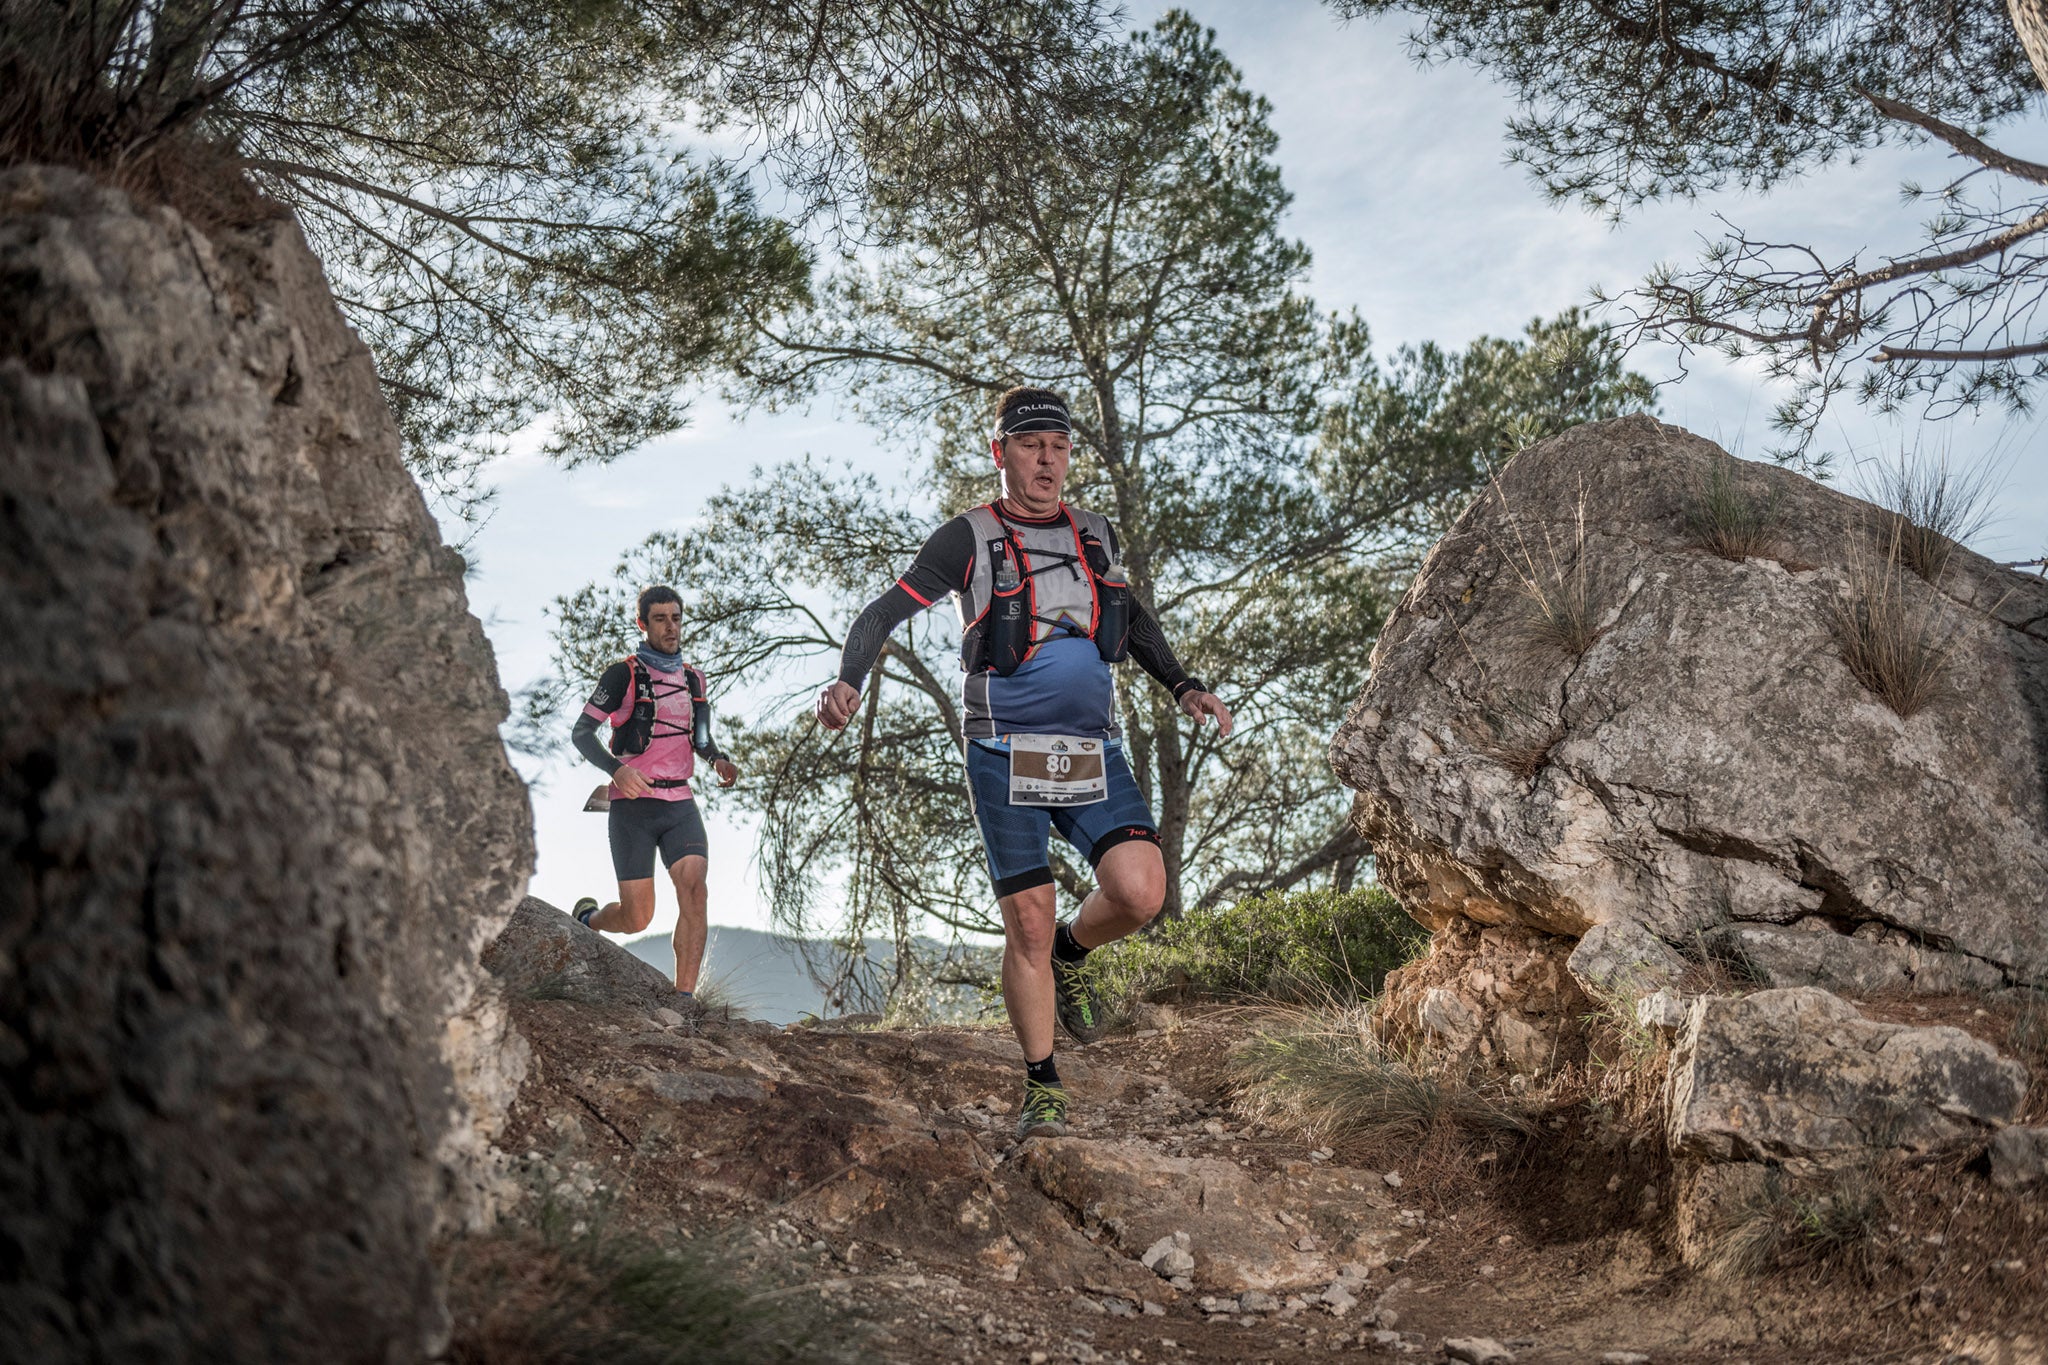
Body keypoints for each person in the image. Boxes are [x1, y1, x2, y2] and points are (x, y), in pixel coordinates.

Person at [815, 386, 1232, 1140]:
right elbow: (881, 612)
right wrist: (851, 677)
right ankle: (1043, 1081)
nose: (1047, 459)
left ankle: (1078, 950)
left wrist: (1184, 683)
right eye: (1031, 444)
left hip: (1088, 750)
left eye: (1059, 447)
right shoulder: (968, 537)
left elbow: (1131, 619)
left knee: (1141, 890)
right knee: (1029, 922)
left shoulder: (1094, 532)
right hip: (1004, 752)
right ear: (1000, 451)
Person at [570, 585, 739, 999]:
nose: (670, 626)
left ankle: (684, 1001)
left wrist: (717, 758)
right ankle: (588, 920)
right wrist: (617, 770)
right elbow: (582, 732)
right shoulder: (622, 674)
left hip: (679, 802)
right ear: (642, 624)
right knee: (637, 917)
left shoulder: (692, 678)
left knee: (695, 889)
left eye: (676, 617)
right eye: (660, 618)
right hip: (634, 807)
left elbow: (700, 738)